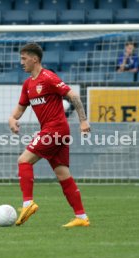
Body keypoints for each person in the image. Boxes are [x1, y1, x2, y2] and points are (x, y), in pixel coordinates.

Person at [9, 43, 91, 228]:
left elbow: (74, 96)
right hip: (55, 131)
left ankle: (28, 203)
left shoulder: (48, 77)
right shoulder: (28, 84)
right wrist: (12, 119)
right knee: (63, 174)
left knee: (23, 160)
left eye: (24, 58)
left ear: (35, 58)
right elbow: (19, 109)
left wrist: (83, 121)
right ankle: (82, 217)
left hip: (56, 129)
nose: (21, 62)